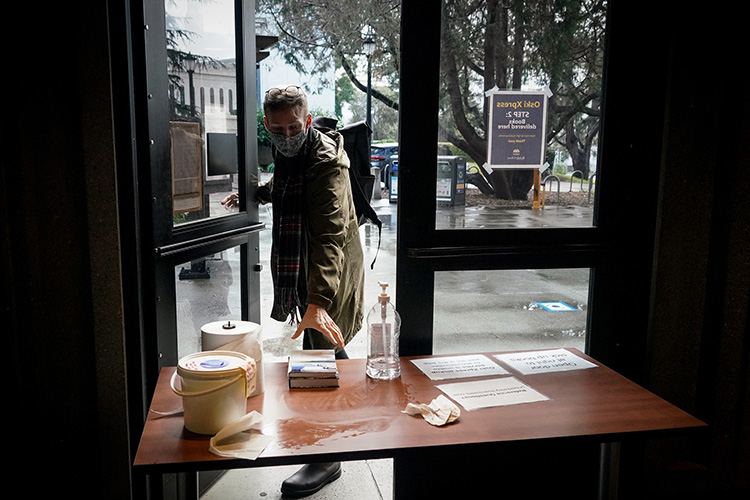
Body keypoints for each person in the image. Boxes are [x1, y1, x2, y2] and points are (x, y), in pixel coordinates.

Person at [222, 84, 365, 497]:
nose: (286, 136)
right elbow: (284, 187)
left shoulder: (326, 162)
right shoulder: (288, 153)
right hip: (304, 266)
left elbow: (330, 237)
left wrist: (318, 303)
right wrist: (257, 192)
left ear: (306, 120)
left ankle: (328, 456)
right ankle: (337, 438)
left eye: (293, 127)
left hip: (327, 270)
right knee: (326, 356)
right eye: (278, 129)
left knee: (319, 354)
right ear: (268, 125)